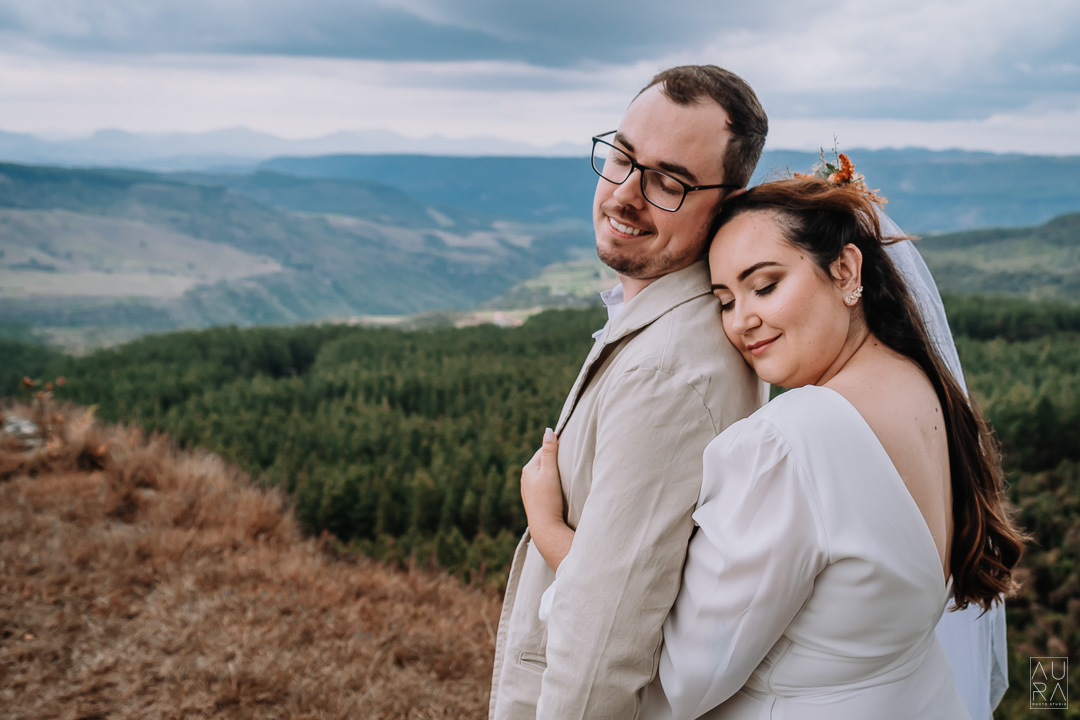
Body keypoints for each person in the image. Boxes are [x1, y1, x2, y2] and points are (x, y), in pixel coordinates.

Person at [520, 177, 1026, 718]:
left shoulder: (792, 440)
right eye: (724, 301)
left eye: (764, 286)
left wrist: (553, 535)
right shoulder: (923, 389)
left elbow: (683, 675)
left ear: (846, 271)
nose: (742, 322)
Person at [488, 65, 770, 719]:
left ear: (728, 201)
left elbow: (603, 640)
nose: (624, 195)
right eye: (621, 158)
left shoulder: (668, 376)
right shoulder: (666, 323)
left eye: (668, 181)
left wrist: (545, 523)